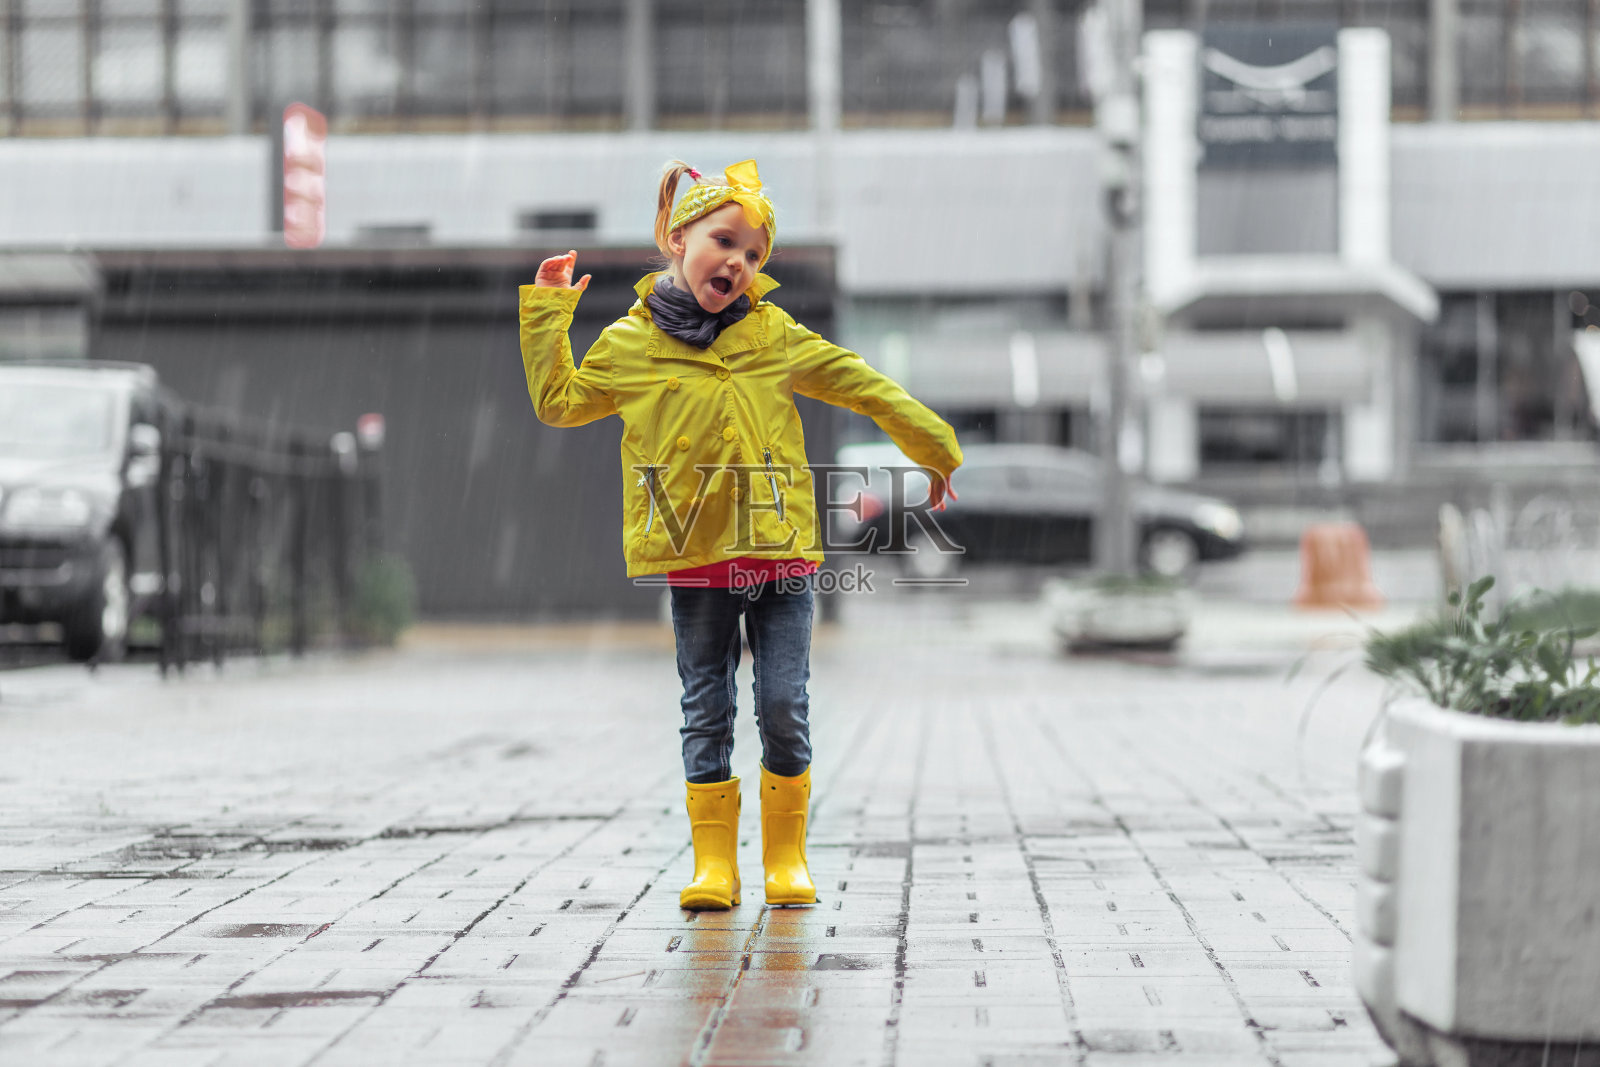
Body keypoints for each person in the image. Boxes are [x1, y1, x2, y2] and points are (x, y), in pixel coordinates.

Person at [518, 159, 962, 910]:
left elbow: (860, 383)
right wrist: (548, 311)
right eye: (725, 242)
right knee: (707, 710)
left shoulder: (773, 335)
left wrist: (935, 448)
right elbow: (559, 402)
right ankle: (713, 866)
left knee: (783, 705)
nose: (739, 263)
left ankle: (786, 859)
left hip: (781, 555)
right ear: (678, 239)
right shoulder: (629, 345)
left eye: (754, 254)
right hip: (694, 559)